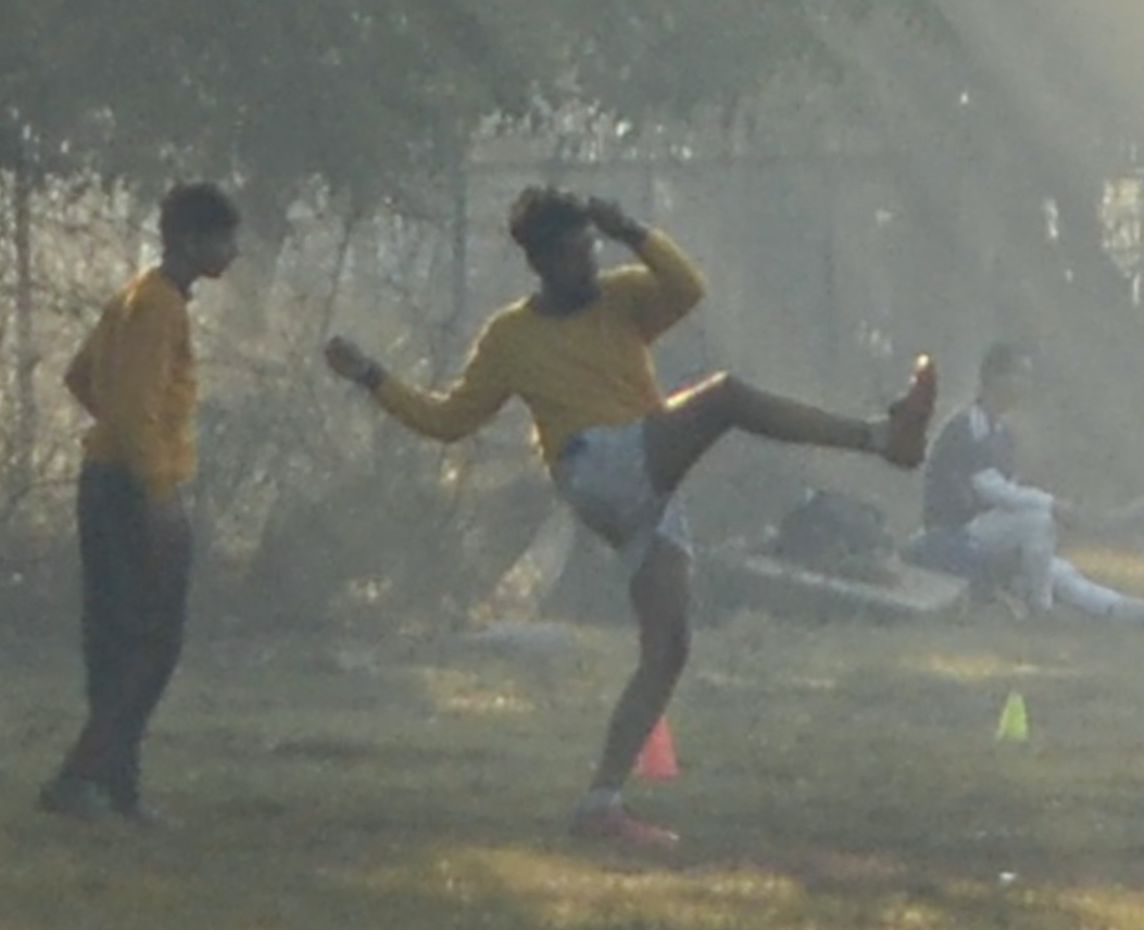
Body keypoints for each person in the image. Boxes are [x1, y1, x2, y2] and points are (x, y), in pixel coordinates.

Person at [326, 188, 937, 848]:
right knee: (725, 395)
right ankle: (883, 437)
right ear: (539, 262)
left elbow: (688, 286)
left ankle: (601, 803)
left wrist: (633, 231)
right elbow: (447, 419)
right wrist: (371, 375)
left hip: (644, 481)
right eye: (570, 255)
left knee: (668, 648)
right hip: (594, 465)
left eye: (591, 250)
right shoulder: (510, 335)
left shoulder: (622, 298)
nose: (586, 266)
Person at [43, 180, 239, 822]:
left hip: (105, 479)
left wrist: (125, 432)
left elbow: (81, 377)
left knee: (118, 641)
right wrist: (156, 487)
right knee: (153, 643)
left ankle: (116, 789)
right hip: (132, 490)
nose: (232, 252)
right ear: (190, 240)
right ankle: (79, 780)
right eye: (223, 239)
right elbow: (132, 407)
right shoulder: (159, 308)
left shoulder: (136, 296)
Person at [910, 343, 1144, 625]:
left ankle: (1139, 613)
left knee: (1060, 573)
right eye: (1019, 375)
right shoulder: (966, 427)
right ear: (993, 377)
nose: (1026, 384)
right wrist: (1053, 506)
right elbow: (993, 491)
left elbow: (1007, 497)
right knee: (1038, 521)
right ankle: (1041, 610)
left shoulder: (1003, 433)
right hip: (948, 538)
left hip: (982, 533)